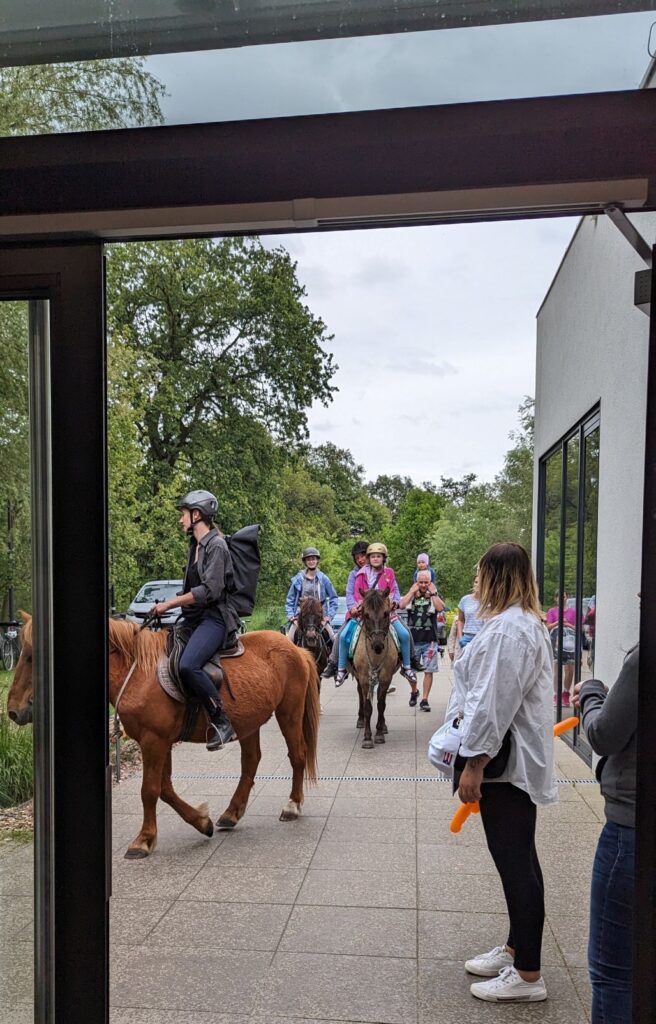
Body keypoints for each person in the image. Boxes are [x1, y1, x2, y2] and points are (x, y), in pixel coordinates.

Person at [446, 542, 556, 1003]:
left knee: (515, 862)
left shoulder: (511, 630)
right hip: (509, 760)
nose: (474, 583)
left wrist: (474, 764)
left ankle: (528, 975)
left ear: (497, 577)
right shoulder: (514, 623)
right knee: (518, 859)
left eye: (480, 574)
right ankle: (516, 950)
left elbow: (494, 704)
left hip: (504, 766)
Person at [572, 644, 638, 1024]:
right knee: (351, 628)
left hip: (630, 831)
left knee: (613, 973)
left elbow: (604, 734)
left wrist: (594, 694)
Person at [151, 490, 239, 751]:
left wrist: (169, 603)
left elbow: (209, 591)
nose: (181, 520)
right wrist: (166, 608)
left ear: (197, 514)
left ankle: (221, 721)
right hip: (194, 617)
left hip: (215, 619)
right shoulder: (195, 547)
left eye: (183, 514)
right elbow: (190, 590)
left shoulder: (217, 546)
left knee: (189, 664)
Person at [334, 542, 416, 688]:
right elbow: (353, 593)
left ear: (383, 558)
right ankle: (340, 668)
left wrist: (394, 602)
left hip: (385, 613)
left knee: (405, 633)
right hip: (364, 613)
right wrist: (354, 607)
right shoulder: (359, 574)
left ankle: (408, 665)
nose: (375, 559)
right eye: (373, 556)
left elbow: (395, 590)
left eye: (378, 556)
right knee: (342, 636)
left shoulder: (389, 573)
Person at [322, 540, 369, 679]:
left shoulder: (380, 571)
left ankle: (406, 661)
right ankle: (334, 663)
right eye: (357, 558)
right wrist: (352, 607)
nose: (360, 559)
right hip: (357, 614)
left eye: (363, 556)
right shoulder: (353, 574)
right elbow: (349, 594)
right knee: (341, 635)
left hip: (375, 614)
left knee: (402, 632)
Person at [399, 570, 444, 711]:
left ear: (430, 582)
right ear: (416, 582)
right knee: (410, 671)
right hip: (413, 640)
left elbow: (440, 608)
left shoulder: (433, 595)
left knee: (428, 671)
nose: (423, 585)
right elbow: (401, 605)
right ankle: (414, 691)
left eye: (426, 582)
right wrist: (412, 591)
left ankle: (425, 699)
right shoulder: (412, 595)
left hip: (430, 640)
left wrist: (434, 593)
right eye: (421, 582)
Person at [284, 547, 338, 643]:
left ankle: (332, 658)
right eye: (308, 559)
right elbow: (290, 600)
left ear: (317, 560)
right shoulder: (298, 579)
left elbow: (334, 598)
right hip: (301, 617)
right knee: (289, 640)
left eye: (313, 559)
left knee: (333, 639)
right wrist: (291, 616)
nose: (311, 561)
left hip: (319, 617)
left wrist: (329, 616)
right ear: (305, 562)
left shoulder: (324, 579)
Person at [545, 591, 577, 706]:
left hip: (570, 644)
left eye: (564, 596)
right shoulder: (552, 611)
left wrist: (568, 625)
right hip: (556, 644)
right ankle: (556, 695)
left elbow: (578, 628)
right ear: (556, 598)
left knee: (570, 669)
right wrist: (558, 622)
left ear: (567, 597)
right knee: (557, 669)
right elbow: (547, 627)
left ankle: (566, 693)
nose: (562, 598)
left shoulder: (573, 612)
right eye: (559, 596)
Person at [456, 575, 484, 652]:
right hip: (467, 638)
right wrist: (460, 638)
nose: (478, 585)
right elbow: (460, 620)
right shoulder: (465, 600)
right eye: (476, 582)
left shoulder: (490, 601)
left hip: (483, 639)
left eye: (481, 582)